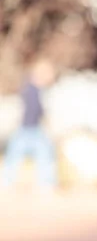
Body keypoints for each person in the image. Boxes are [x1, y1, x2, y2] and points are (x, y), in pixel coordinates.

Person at [1, 58, 57, 191]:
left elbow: (40, 110)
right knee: (15, 155)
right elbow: (30, 109)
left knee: (44, 155)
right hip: (26, 128)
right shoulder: (29, 88)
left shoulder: (39, 90)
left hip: (34, 129)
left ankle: (46, 182)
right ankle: (7, 181)